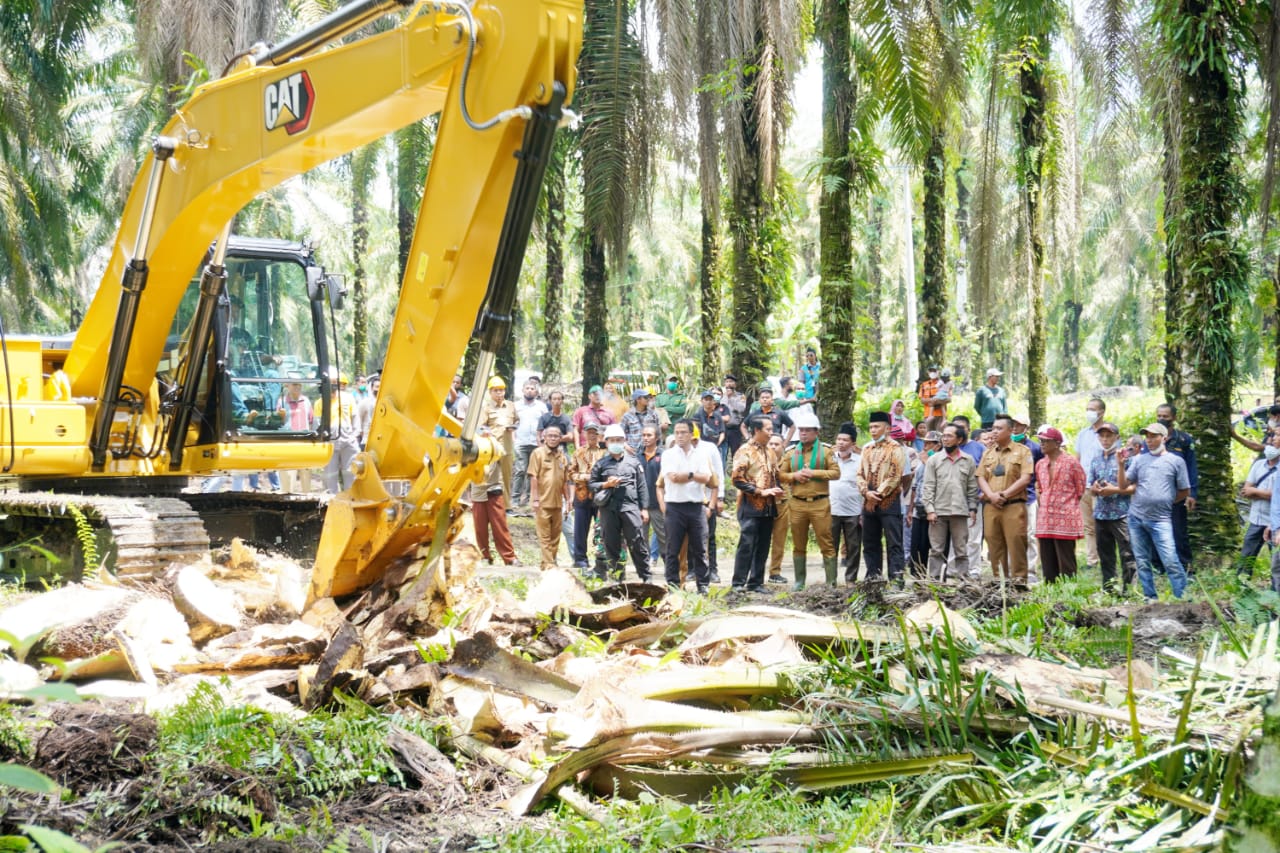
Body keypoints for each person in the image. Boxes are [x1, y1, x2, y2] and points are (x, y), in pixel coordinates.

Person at [1116, 422, 1190, 602]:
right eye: (1147, 436)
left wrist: (1166, 501)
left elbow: (1184, 490)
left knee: (1170, 559)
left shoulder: (1175, 461)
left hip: (1161, 519)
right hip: (1136, 517)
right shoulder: (1140, 460)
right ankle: (1150, 597)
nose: (1149, 440)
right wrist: (1120, 465)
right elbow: (1123, 485)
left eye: (1154, 436)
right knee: (1142, 560)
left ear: (1163, 438)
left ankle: (1182, 598)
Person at [778, 409, 839, 589]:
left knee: (826, 541)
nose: (803, 433)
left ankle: (831, 581)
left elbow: (836, 473)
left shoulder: (826, 451)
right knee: (798, 543)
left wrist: (814, 473)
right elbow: (780, 475)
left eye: (807, 430)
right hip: (797, 503)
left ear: (816, 432)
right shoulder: (790, 452)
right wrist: (794, 476)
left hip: (820, 502)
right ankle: (799, 581)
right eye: (801, 430)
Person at [658, 419, 717, 592]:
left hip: (696, 507)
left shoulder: (700, 455)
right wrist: (693, 475)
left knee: (700, 549)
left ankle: (703, 585)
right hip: (675, 507)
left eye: (683, 432)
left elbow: (706, 478)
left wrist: (688, 474)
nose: (680, 436)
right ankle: (674, 585)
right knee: (672, 549)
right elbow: (673, 477)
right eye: (676, 432)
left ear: (692, 434)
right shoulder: (668, 455)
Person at [976, 415, 1034, 586]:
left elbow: (1025, 478)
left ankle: (1019, 582)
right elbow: (981, 477)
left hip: (1013, 505)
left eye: (999, 428)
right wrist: (992, 496)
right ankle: (999, 582)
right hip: (991, 506)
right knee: (994, 543)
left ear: (1011, 431)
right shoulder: (987, 453)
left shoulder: (1023, 451)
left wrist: (1004, 495)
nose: (994, 432)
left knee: (1016, 542)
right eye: (993, 428)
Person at [589, 425, 651, 581]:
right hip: (608, 509)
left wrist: (644, 509)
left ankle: (645, 576)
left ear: (624, 441)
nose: (615, 442)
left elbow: (642, 486)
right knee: (611, 544)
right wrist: (606, 485)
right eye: (612, 440)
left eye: (619, 440)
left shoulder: (634, 463)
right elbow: (592, 484)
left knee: (637, 542)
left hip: (630, 507)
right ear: (606, 442)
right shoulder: (601, 464)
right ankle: (617, 578)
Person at [731, 416, 784, 592]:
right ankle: (738, 583)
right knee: (747, 544)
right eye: (768, 429)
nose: (771, 433)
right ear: (756, 430)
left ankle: (756, 582)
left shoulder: (770, 452)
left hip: (769, 507)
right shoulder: (744, 451)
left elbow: (775, 476)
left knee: (763, 545)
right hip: (750, 505)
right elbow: (737, 479)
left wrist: (777, 489)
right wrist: (761, 491)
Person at [923, 423, 979, 581]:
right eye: (944, 436)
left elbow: (972, 488)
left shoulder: (968, 461)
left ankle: (964, 582)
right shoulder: (934, 460)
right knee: (936, 550)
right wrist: (930, 510)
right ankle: (934, 582)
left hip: (960, 512)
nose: (945, 439)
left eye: (949, 436)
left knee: (961, 550)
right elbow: (928, 487)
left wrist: (973, 508)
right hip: (938, 512)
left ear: (959, 439)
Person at [859, 411, 908, 585]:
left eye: (876, 426)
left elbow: (896, 476)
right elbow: (859, 475)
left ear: (887, 428)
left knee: (894, 542)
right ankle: (873, 578)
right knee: (870, 542)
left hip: (889, 502)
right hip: (868, 502)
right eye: (871, 427)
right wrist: (866, 493)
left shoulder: (896, 449)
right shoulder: (866, 448)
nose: (873, 430)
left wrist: (876, 495)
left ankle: (896, 580)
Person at [1087, 421, 1137, 593]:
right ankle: (1109, 589)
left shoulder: (1128, 459)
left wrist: (1113, 490)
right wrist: (1095, 489)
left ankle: (1129, 589)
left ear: (1117, 437)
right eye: (1102, 436)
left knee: (1127, 553)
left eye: (1109, 436)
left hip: (1121, 513)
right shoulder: (1095, 460)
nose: (1105, 439)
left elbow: (1133, 487)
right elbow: (1091, 486)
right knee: (1105, 555)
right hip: (1101, 513)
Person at [1033, 425, 1086, 583]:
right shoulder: (1040, 464)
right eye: (1040, 441)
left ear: (1057, 443)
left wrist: (1066, 504)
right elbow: (1041, 488)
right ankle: (1050, 592)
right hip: (1045, 518)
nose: (1042, 444)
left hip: (1066, 517)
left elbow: (1080, 488)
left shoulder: (1071, 463)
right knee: (1047, 559)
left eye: (1045, 441)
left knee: (1066, 560)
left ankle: (1069, 592)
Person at [1156, 403, 1197, 573]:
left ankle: (1185, 566)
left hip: (1178, 494)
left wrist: (1192, 493)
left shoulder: (1184, 440)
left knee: (1179, 532)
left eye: (1165, 416)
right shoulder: (1151, 438)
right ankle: (1158, 567)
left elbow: (1191, 467)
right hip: (1156, 494)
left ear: (1174, 417)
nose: (1162, 419)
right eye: (1159, 415)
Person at [470, 429, 518, 566]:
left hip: (494, 490)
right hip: (478, 492)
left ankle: (509, 557)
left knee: (500, 526)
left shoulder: (494, 449)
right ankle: (484, 556)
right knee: (480, 528)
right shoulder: (472, 450)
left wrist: (492, 440)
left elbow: (502, 451)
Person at [528, 424, 571, 570]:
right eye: (550, 436)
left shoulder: (562, 456)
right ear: (544, 437)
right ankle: (550, 564)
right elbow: (533, 477)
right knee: (544, 537)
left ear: (560, 438)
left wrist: (569, 500)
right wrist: (535, 499)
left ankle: (548, 563)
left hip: (558, 503)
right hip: (542, 502)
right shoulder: (538, 453)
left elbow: (565, 481)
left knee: (555, 536)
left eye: (556, 436)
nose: (553, 438)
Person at [1238, 430, 1280, 577]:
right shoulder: (1259, 465)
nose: (1273, 440)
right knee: (1246, 558)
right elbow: (1246, 490)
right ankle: (1242, 588)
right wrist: (1266, 493)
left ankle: (1275, 594)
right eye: (1272, 437)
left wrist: (1256, 492)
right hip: (1256, 519)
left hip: (1275, 522)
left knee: (1277, 563)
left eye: (1277, 437)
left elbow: (1277, 495)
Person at [1074, 397, 1107, 573]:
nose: (1089, 412)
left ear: (1101, 412)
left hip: (1100, 487)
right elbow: (1077, 460)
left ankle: (1105, 557)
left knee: (1101, 523)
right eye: (1087, 408)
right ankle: (1092, 559)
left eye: (1092, 409)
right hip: (1084, 485)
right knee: (1088, 525)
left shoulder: (1108, 433)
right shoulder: (1083, 434)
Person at [830, 422, 864, 583]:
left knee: (853, 547)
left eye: (845, 440)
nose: (841, 443)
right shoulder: (829, 459)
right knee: (830, 548)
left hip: (853, 511)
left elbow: (865, 485)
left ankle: (850, 579)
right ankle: (831, 580)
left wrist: (863, 512)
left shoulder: (860, 461)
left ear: (853, 443)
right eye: (839, 439)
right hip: (831, 510)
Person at [569, 422, 607, 569]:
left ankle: (601, 559)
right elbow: (571, 473)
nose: (592, 435)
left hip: (600, 495)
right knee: (580, 529)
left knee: (601, 528)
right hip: (582, 494)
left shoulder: (604, 452)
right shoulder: (578, 452)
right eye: (589, 432)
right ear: (584, 434)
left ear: (599, 435)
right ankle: (580, 560)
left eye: (594, 432)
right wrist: (585, 477)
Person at [907, 432, 942, 577]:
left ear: (938, 445)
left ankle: (935, 577)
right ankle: (918, 577)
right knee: (917, 545)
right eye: (925, 443)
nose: (925, 446)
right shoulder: (921, 460)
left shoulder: (941, 460)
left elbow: (939, 480)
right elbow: (915, 486)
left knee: (933, 545)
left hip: (934, 509)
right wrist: (910, 509)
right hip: (918, 508)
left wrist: (928, 462)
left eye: (929, 443)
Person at [479, 376, 518, 501]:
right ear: (490, 392)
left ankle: (507, 505)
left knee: (507, 476)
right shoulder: (486, 407)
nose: (499, 393)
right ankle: (486, 502)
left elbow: (517, 420)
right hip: (492, 447)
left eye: (501, 390)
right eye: (496, 390)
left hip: (507, 446)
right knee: (490, 475)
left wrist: (513, 427)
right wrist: (488, 433)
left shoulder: (511, 406)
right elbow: (481, 426)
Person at [512, 380, 548, 511]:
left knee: (532, 472)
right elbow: (512, 423)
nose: (529, 390)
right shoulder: (516, 406)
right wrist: (513, 440)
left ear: (537, 392)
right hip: (520, 442)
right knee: (520, 470)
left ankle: (527, 499)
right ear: (522, 390)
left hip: (536, 443)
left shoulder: (542, 407)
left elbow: (545, 424)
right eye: (527, 388)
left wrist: (544, 441)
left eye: (532, 388)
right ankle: (514, 499)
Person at [323, 372, 361, 493]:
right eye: (331, 382)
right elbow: (318, 422)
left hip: (348, 441)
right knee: (330, 475)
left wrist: (354, 435)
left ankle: (351, 499)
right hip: (330, 443)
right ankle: (331, 501)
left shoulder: (348, 398)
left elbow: (355, 417)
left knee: (351, 472)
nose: (334, 385)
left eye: (336, 382)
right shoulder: (321, 401)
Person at [765, 433, 792, 584]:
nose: (774, 447)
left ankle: (775, 572)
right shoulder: (760, 461)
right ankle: (755, 572)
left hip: (782, 505)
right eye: (771, 444)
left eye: (777, 444)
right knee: (760, 540)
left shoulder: (789, 463)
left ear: (783, 446)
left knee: (779, 540)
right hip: (763, 505)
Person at [640, 425, 666, 574]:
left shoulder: (664, 456)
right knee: (640, 539)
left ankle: (670, 568)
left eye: (649, 435)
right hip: (640, 506)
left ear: (656, 437)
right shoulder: (637, 457)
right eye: (644, 435)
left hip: (658, 505)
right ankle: (644, 571)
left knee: (664, 538)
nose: (645, 438)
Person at [572, 385, 616, 449]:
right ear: (589, 396)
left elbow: (614, 430)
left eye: (600, 394)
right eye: (595, 394)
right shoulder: (581, 411)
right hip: (585, 447)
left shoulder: (609, 412)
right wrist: (577, 447)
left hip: (604, 447)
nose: (597, 396)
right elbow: (576, 430)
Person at [620, 389, 662, 454]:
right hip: (633, 452)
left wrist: (658, 449)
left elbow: (658, 433)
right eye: (645, 397)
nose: (648, 399)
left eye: (649, 397)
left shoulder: (653, 414)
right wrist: (626, 447)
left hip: (651, 451)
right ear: (638, 399)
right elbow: (620, 434)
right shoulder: (627, 415)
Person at [693, 390, 729, 462]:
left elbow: (722, 432)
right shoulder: (697, 415)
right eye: (706, 399)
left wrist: (717, 444)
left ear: (713, 401)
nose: (708, 402)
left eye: (710, 399)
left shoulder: (718, 415)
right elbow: (695, 432)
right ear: (702, 401)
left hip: (716, 446)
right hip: (701, 447)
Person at [721, 374, 748, 459]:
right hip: (723, 428)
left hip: (735, 429)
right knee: (722, 453)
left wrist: (731, 398)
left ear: (735, 384)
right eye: (727, 382)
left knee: (736, 453)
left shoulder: (741, 396)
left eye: (731, 382)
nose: (729, 384)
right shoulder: (721, 396)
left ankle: (735, 471)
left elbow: (741, 409)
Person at [918, 366, 946, 430]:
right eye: (931, 371)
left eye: (934, 371)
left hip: (940, 415)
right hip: (927, 415)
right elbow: (922, 400)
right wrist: (933, 400)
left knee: (939, 435)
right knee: (928, 435)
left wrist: (935, 400)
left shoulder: (943, 383)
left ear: (938, 372)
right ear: (928, 372)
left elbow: (948, 399)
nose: (932, 373)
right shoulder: (924, 385)